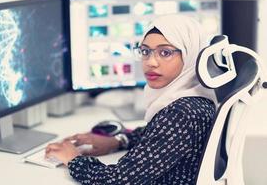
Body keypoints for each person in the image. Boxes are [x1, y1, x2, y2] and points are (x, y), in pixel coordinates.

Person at [46, 14, 217, 185]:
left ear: (191, 55)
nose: (151, 62)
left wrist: (73, 158)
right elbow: (158, 136)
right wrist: (118, 141)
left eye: (165, 52)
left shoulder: (181, 114)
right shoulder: (195, 98)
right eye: (145, 51)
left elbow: (118, 181)